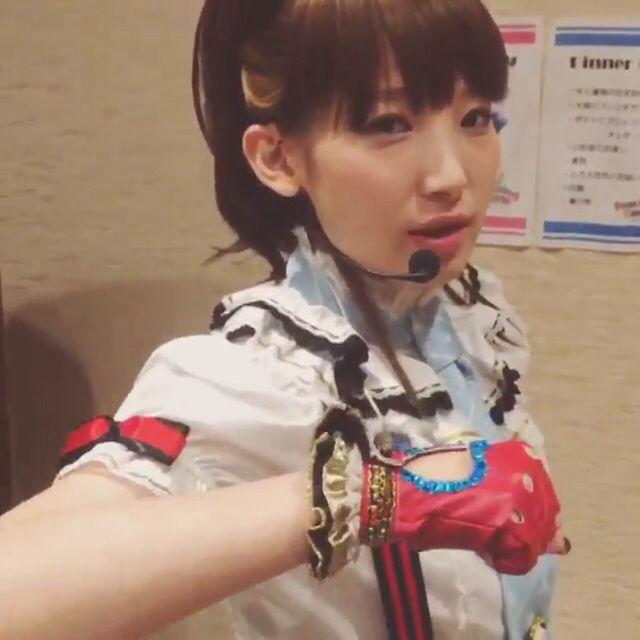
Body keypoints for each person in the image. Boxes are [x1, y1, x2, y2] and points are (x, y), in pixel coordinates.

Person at [0, 0, 569, 638]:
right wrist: (372, 496)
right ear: (277, 157)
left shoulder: (466, 320)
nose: (451, 175)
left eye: (475, 118)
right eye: (388, 123)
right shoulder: (255, 372)